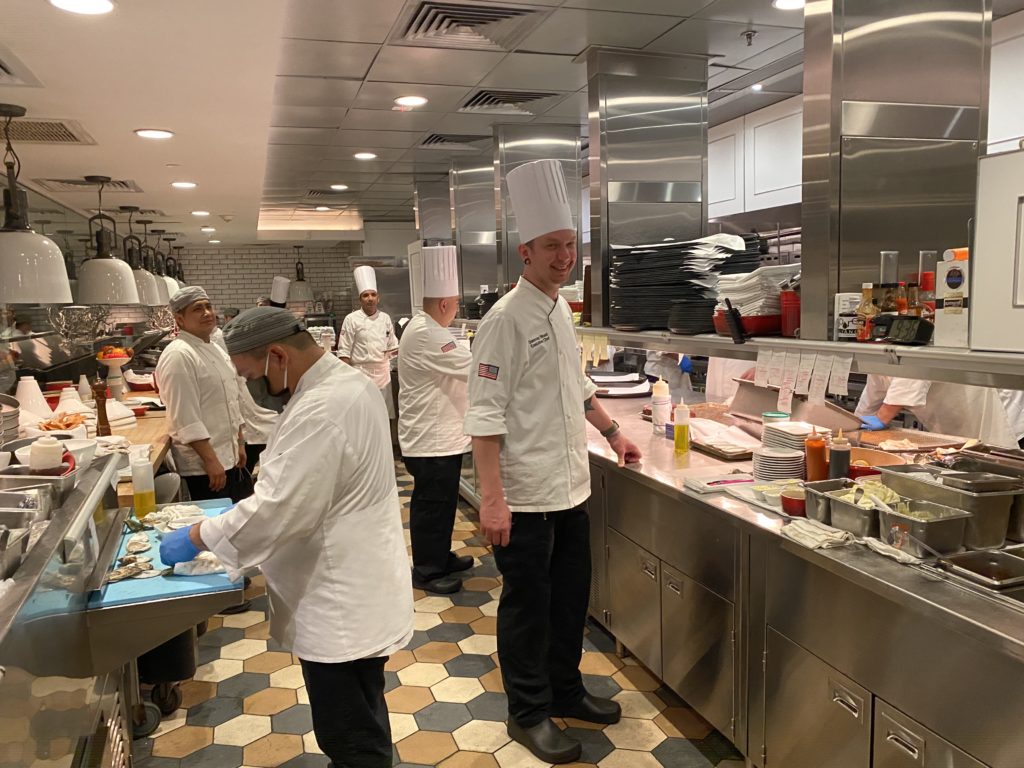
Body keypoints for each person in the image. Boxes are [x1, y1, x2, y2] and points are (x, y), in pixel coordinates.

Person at [159, 307, 413, 768]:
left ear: (278, 355)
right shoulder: (344, 383)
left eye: (249, 373)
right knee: (362, 712)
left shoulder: (324, 406)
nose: (251, 384)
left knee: (349, 735)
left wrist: (198, 535)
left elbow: (277, 512)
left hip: (339, 597)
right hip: (356, 580)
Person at [464, 159, 642, 764]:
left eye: (570, 245)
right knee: (527, 608)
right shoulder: (504, 321)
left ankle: (566, 690)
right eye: (552, 247)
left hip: (572, 488)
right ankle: (529, 711)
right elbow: (484, 420)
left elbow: (577, 386)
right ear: (526, 252)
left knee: (572, 599)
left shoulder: (561, 312)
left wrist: (613, 432)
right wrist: (492, 499)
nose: (564, 256)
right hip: (526, 497)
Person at [398, 246, 473, 595]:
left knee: (441, 503)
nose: (457, 309)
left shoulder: (426, 327)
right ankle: (427, 571)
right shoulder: (429, 333)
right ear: (445, 304)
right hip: (431, 438)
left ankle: (439, 555)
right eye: (456, 303)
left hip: (438, 435)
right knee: (431, 505)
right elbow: (474, 368)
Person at [156, 286, 252, 502]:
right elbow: (185, 418)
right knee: (214, 525)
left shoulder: (215, 348)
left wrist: (240, 443)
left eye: (208, 306)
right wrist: (210, 460)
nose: (207, 313)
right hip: (204, 466)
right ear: (179, 319)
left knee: (233, 520)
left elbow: (231, 400)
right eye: (198, 309)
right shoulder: (179, 355)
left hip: (229, 456)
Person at [855, 375, 1020, 447]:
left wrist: (882, 417)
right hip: (944, 426)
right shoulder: (878, 348)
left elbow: (912, 373)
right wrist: (854, 422)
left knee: (986, 461)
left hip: (975, 414)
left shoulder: (911, 340)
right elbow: (874, 390)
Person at [339, 266, 398, 417]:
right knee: (364, 416)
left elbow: (392, 345)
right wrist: (345, 380)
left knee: (384, 416)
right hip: (360, 375)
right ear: (360, 299)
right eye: (366, 295)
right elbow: (344, 352)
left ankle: (388, 442)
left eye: (373, 295)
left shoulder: (385, 318)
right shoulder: (351, 319)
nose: (370, 298)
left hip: (383, 375)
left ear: (378, 298)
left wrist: (398, 355)